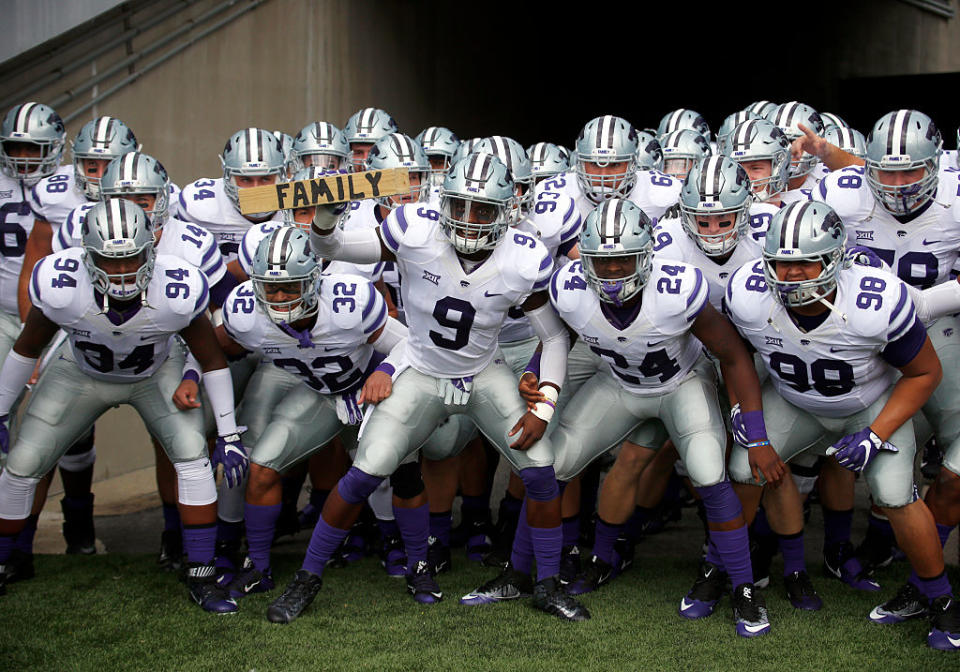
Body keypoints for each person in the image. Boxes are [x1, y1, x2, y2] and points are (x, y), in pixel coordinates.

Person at [266, 153, 587, 624]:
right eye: (459, 205)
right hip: (418, 367)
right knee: (364, 472)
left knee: (541, 470)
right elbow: (330, 248)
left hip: (482, 372)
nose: (468, 220)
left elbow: (555, 336)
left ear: (507, 209)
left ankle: (543, 582)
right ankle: (307, 578)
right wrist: (327, 216)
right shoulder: (416, 230)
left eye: (482, 210)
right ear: (444, 201)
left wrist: (546, 405)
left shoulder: (523, 256)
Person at [725, 199, 960, 651]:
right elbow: (736, 359)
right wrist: (752, 429)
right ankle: (749, 578)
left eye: (804, 264)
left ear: (834, 259)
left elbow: (925, 373)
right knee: (745, 468)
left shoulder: (874, 299)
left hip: (868, 403)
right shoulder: (749, 294)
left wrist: (876, 434)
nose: (788, 276)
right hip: (793, 401)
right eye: (779, 264)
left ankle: (941, 600)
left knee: (895, 496)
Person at [541, 198, 772, 637]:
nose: (612, 272)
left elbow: (731, 352)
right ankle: (588, 560)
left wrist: (755, 431)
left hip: (682, 385)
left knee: (708, 473)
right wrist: (539, 385)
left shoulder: (675, 289)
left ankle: (743, 586)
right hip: (623, 388)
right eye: (601, 262)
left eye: (623, 260)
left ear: (647, 256)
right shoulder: (569, 287)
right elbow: (553, 341)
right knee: (557, 466)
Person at [0, 199, 244, 612]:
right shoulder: (61, 284)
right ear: (86, 256)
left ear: (153, 248)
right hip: (78, 374)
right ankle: (6, 561)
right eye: (109, 261)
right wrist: (2, 409)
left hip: (156, 373)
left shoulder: (177, 287)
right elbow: (28, 346)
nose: (122, 271)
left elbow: (211, 358)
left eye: (132, 258)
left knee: (193, 459)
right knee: (22, 464)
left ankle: (201, 574)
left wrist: (229, 432)